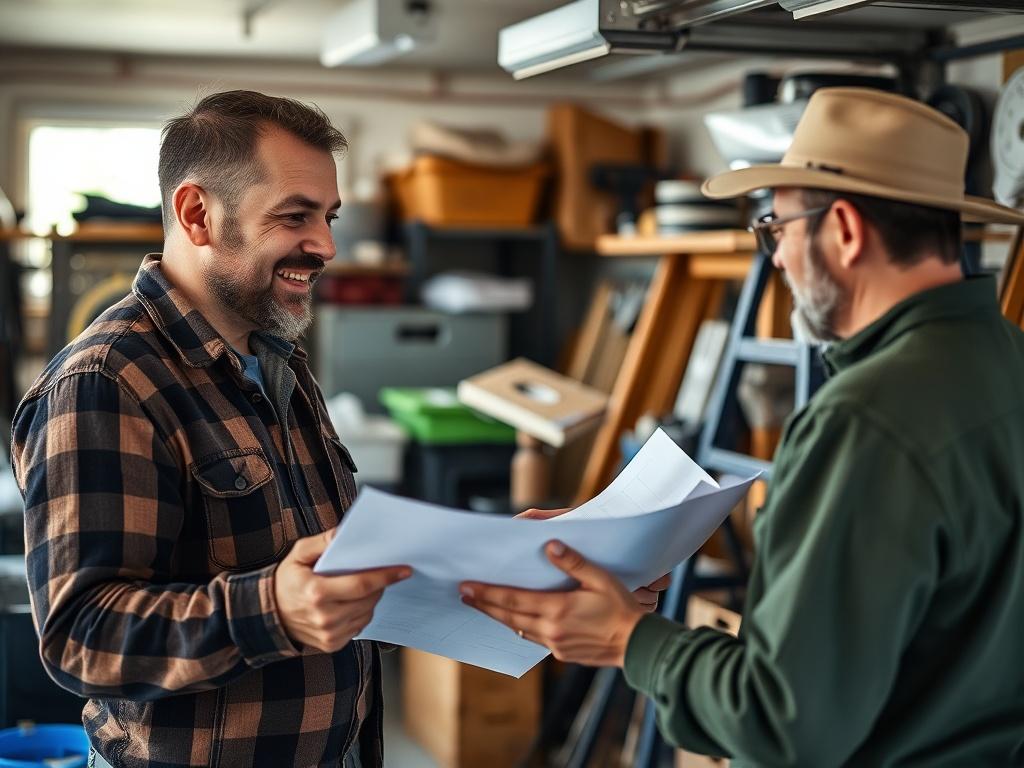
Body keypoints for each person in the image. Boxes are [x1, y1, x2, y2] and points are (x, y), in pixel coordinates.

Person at [460, 88, 1024, 765]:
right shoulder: (1007, 361)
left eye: (778, 229)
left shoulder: (865, 419)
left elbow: (784, 724)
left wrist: (629, 639)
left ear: (843, 229)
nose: (777, 259)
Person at [11, 91, 412, 768]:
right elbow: (83, 635)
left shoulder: (278, 361)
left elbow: (323, 578)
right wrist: (272, 610)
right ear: (197, 214)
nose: (326, 246)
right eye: (296, 217)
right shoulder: (108, 381)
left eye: (329, 217)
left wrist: (486, 569)